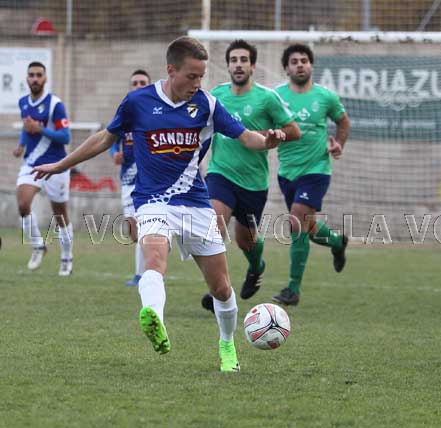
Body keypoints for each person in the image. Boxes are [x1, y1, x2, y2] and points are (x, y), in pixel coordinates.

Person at [33, 36, 287, 373]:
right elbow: (104, 138)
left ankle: (227, 346)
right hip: (152, 201)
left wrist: (267, 140)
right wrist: (61, 164)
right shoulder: (138, 102)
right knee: (154, 259)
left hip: (195, 203)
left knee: (222, 288)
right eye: (191, 76)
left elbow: (245, 137)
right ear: (171, 70)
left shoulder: (207, 105)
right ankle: (156, 319)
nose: (197, 84)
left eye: (201, 77)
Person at [200, 40, 300, 313]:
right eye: (234, 60)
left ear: (253, 66)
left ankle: (256, 267)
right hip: (220, 173)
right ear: (228, 65)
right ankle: (219, 290)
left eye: (244, 60)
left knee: (245, 240)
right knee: (214, 227)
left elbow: (294, 130)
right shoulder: (216, 95)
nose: (239, 64)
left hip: (253, 183)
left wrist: (274, 135)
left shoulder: (267, 98)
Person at [271, 44, 351, 306]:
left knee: (296, 221)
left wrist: (339, 144)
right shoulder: (276, 96)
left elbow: (343, 121)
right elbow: (264, 123)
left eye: (304, 61)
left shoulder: (325, 96)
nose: (300, 65)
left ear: (311, 65)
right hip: (287, 172)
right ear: (286, 68)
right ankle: (337, 242)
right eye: (294, 62)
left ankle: (293, 289)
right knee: (309, 228)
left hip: (316, 170)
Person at [13, 61, 74, 276]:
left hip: (56, 165)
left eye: (39, 75)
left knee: (60, 214)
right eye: (32, 75)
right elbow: (27, 127)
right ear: (27, 79)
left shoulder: (55, 105)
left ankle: (66, 257)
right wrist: (21, 144)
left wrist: (39, 129)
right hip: (32, 163)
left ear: (45, 78)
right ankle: (38, 245)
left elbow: (65, 137)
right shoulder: (23, 102)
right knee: (23, 204)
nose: (35, 79)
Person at [109, 69, 151, 286]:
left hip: (150, 181)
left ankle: (141, 275)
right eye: (135, 83)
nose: (138, 86)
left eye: (143, 83)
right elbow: (111, 140)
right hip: (127, 180)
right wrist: (114, 154)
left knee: (144, 226)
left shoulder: (156, 114)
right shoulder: (125, 113)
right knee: (133, 230)